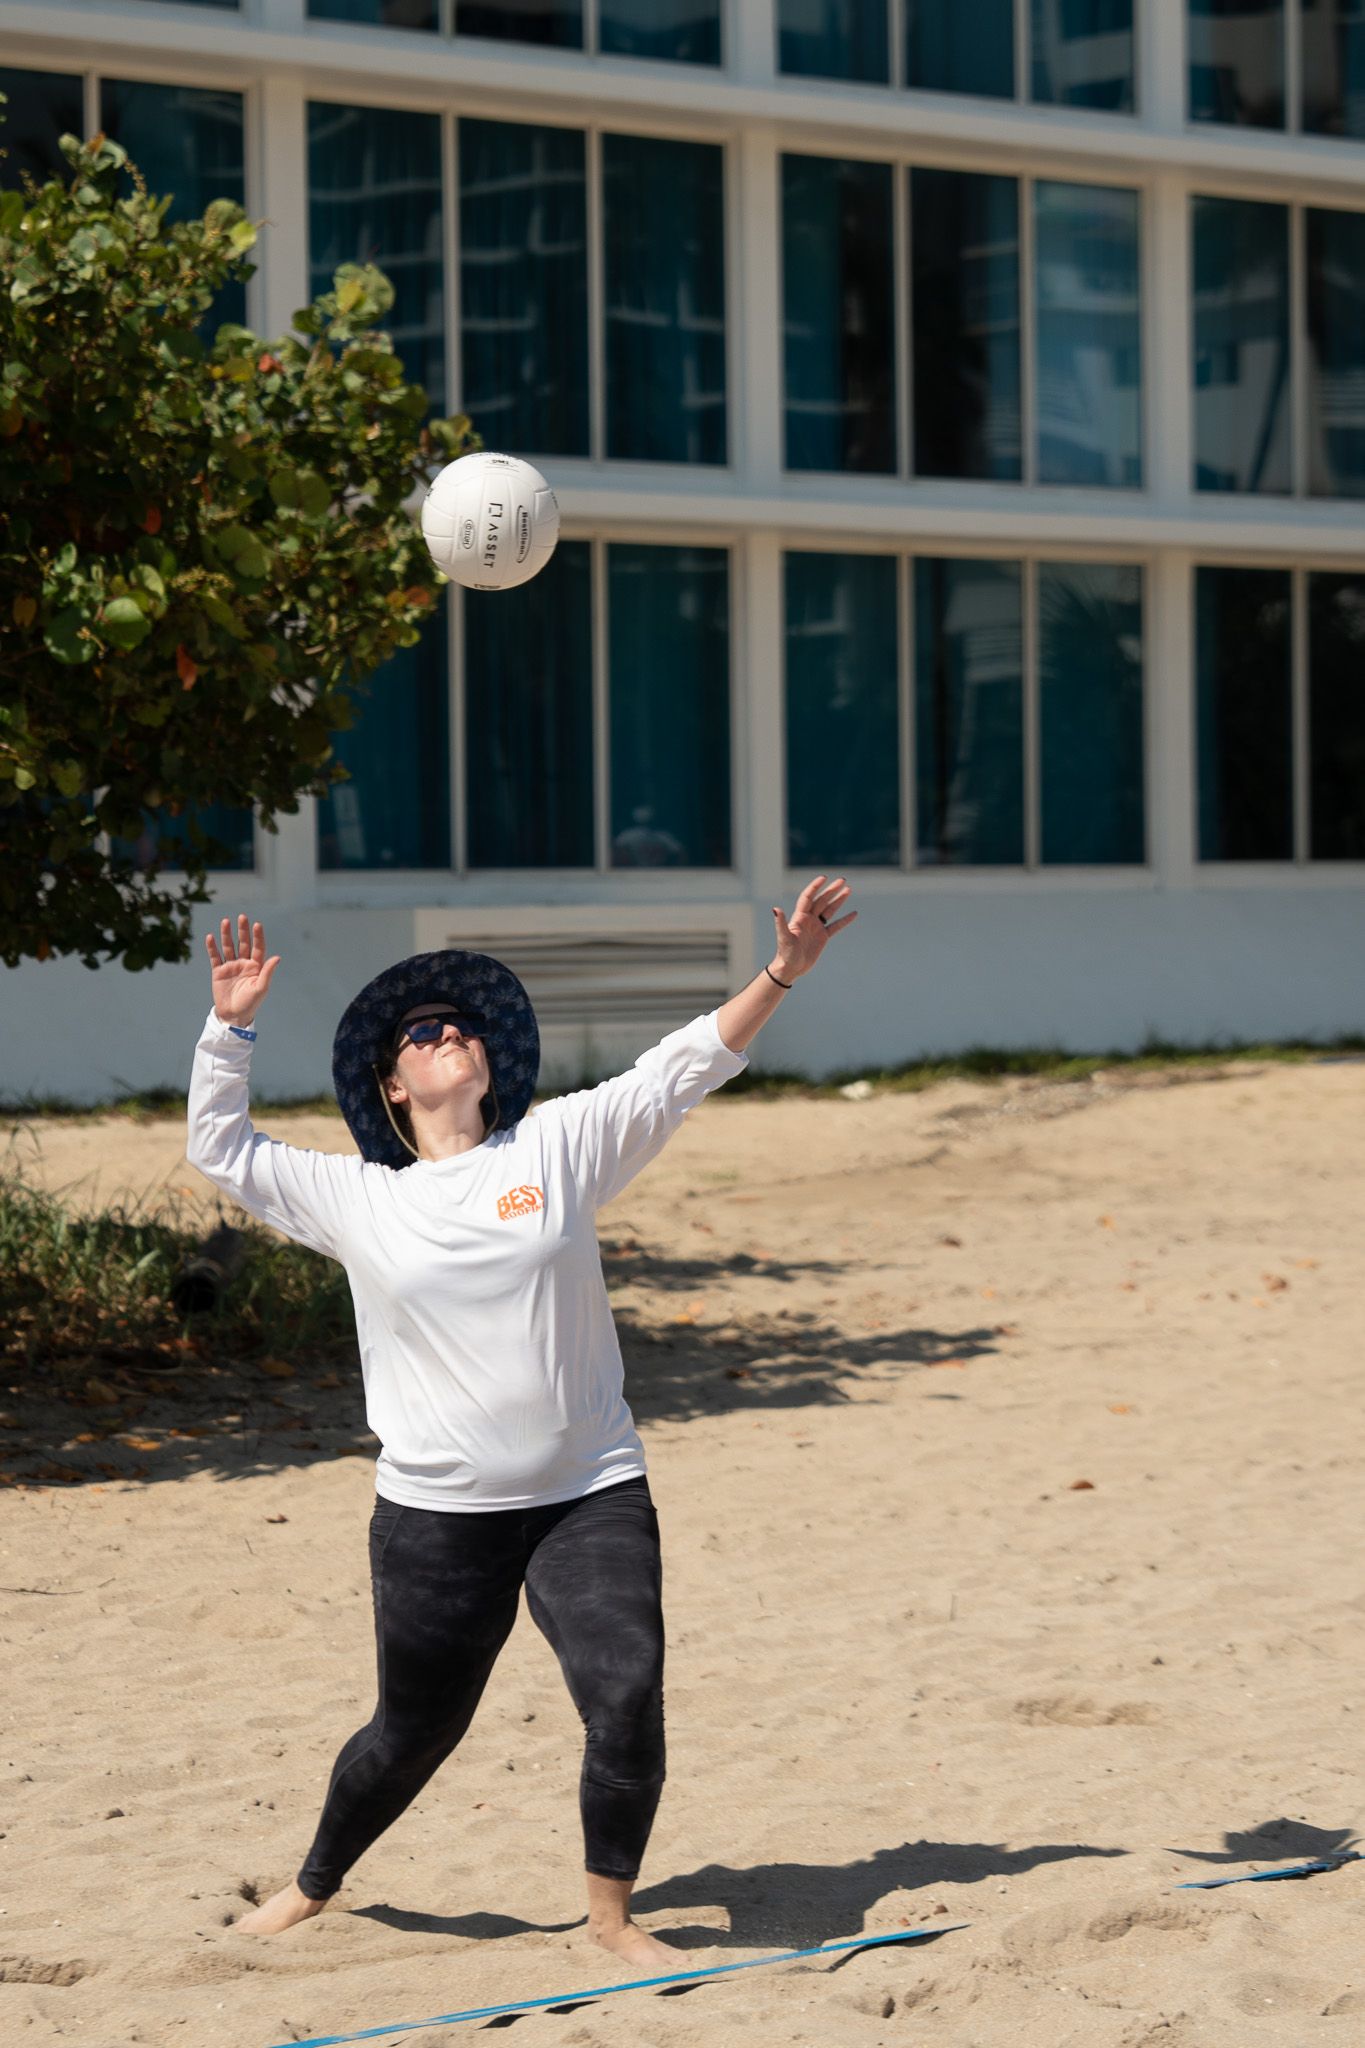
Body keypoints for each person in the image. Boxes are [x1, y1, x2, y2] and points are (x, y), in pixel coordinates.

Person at [185, 878, 856, 1965]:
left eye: (463, 1026)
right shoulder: (358, 1196)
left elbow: (682, 1066)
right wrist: (232, 1021)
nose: (450, 1033)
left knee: (627, 1688)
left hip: (587, 1490)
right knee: (412, 1734)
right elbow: (221, 1148)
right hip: (438, 1515)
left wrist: (782, 972)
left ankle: (608, 1919)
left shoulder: (556, 1148)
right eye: (423, 1031)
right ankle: (314, 1884)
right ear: (394, 1084)